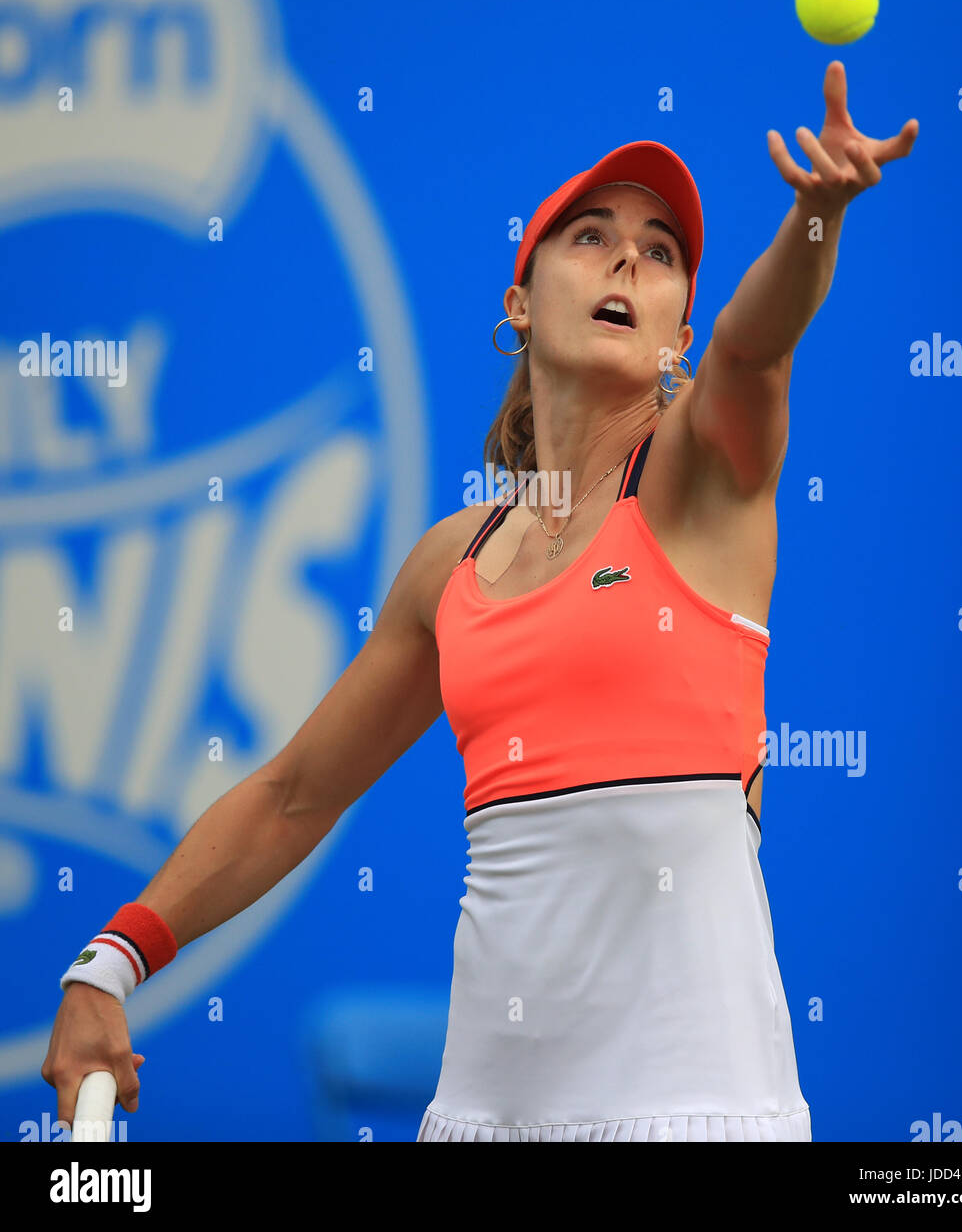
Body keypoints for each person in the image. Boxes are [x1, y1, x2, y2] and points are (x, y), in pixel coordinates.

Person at [42, 60, 918, 1142]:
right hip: (479, 1120)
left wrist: (815, 218)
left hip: (700, 1115)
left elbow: (755, 345)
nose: (627, 262)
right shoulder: (451, 562)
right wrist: (110, 959)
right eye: (590, 236)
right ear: (519, 298)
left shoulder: (703, 479)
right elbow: (290, 798)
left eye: (659, 255)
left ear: (676, 332)